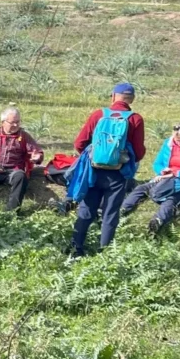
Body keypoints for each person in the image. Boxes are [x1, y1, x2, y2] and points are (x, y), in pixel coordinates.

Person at [70, 83, 147, 256]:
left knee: (86, 210)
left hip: (93, 171)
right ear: (132, 99)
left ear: (113, 96)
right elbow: (139, 152)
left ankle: (75, 248)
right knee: (110, 214)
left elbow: (79, 143)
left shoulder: (99, 115)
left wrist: (93, 156)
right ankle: (104, 254)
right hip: (118, 175)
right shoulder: (135, 119)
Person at [120, 121, 180, 234]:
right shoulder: (168, 143)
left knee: (171, 200)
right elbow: (157, 163)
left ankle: (157, 222)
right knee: (141, 188)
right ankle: (122, 210)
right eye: (177, 140)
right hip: (166, 178)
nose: (179, 142)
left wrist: (175, 173)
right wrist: (162, 172)